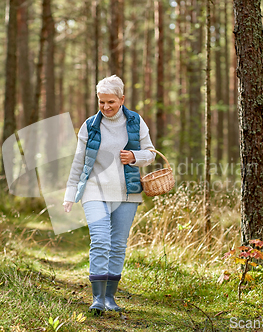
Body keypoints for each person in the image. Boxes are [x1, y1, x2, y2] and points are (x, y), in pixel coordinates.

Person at [63, 75, 155, 314]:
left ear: (122, 99)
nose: (105, 107)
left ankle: (110, 298)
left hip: (128, 192)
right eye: (101, 102)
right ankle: (97, 298)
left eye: (111, 102)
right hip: (94, 190)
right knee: (101, 240)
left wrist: (135, 157)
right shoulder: (90, 125)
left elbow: (151, 153)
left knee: (117, 245)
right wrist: (70, 193)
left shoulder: (135, 121)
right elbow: (78, 161)